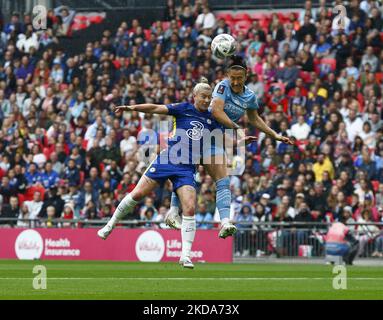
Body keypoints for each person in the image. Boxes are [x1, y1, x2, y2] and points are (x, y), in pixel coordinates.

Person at [97, 80, 223, 268]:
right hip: (167, 159)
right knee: (138, 194)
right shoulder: (183, 108)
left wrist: (242, 140)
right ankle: (110, 224)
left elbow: (223, 140)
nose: (206, 99)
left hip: (187, 168)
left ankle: (185, 256)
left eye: (209, 96)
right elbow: (155, 107)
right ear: (194, 96)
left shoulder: (213, 119)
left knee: (189, 208)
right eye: (203, 96)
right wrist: (131, 107)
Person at [166, 55, 293, 239]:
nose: (235, 81)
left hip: (217, 140)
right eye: (232, 77)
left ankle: (225, 222)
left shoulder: (249, 96)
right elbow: (216, 111)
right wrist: (236, 128)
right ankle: (173, 212)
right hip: (202, 132)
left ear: (246, 75)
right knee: (186, 174)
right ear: (227, 75)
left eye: (239, 78)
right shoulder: (222, 86)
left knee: (223, 179)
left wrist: (274, 134)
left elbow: (254, 118)